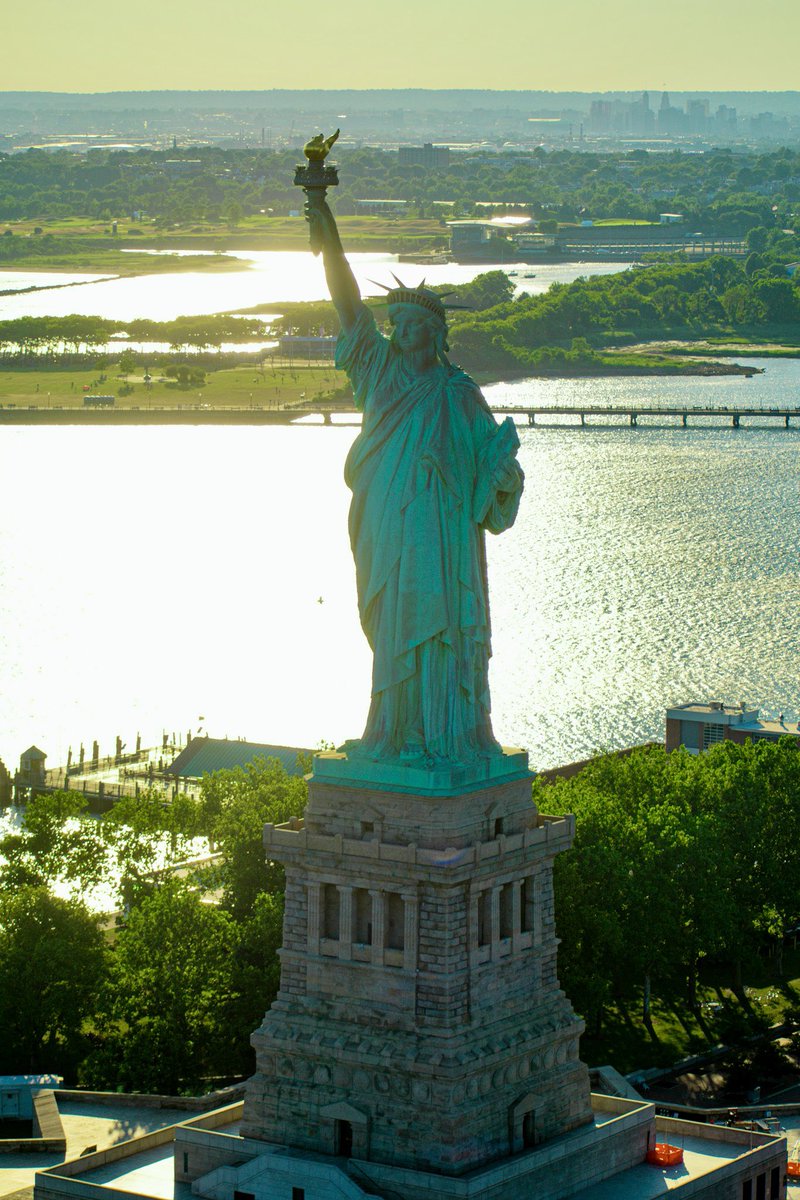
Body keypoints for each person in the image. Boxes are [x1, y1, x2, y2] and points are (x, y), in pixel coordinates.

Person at [306, 195, 524, 766]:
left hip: (441, 539)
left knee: (438, 629)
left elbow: (493, 482)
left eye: (411, 325)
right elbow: (348, 304)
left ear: (434, 332)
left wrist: (505, 473)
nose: (400, 332)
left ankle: (442, 735)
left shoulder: (459, 392)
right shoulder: (375, 369)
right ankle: (392, 732)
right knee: (393, 622)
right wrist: (326, 230)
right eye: (395, 323)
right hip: (386, 523)